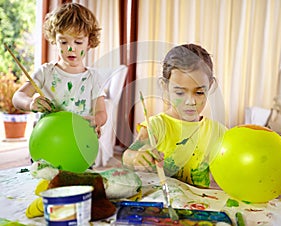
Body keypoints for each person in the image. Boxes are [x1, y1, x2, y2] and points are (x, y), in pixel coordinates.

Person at [122, 44, 227, 188]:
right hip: (160, 204)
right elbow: (127, 155)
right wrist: (136, 158)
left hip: (197, 205)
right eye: (180, 93)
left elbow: (227, 173)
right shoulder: (156, 126)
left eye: (199, 92)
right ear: (165, 86)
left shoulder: (217, 131)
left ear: (210, 85)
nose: (190, 101)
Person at [12, 3, 106, 137]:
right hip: (46, 140)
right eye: (63, 42)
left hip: (79, 143)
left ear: (89, 42)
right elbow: (18, 97)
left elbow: (101, 112)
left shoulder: (93, 78)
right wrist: (30, 103)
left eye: (78, 42)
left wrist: (96, 120)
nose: (70, 48)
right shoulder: (45, 72)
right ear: (55, 41)